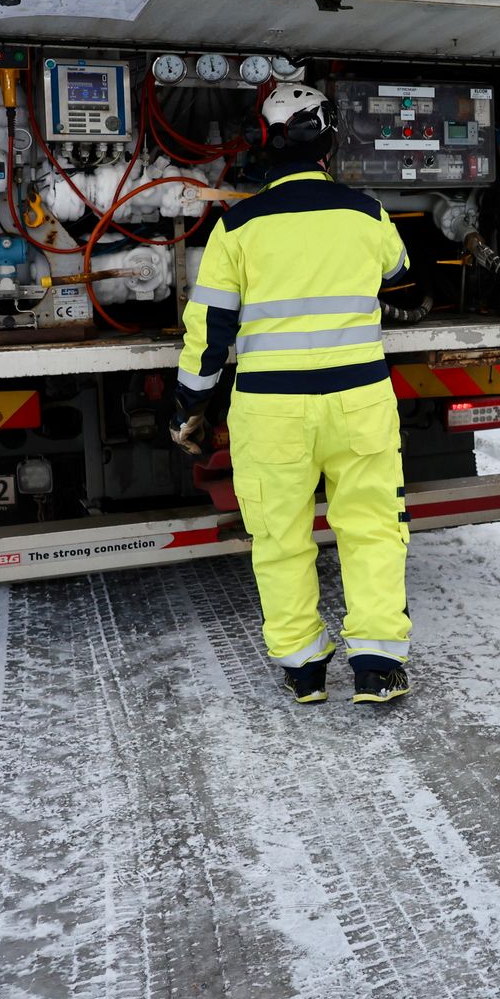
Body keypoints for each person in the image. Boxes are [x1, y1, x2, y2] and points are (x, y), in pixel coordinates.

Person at [171, 83, 416, 706]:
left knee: (280, 538)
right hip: (359, 403)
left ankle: (303, 669)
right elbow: (399, 275)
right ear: (328, 142)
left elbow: (210, 329)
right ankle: (378, 665)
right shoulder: (367, 213)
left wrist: (190, 404)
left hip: (271, 413)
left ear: (265, 145)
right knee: (371, 530)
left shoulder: (238, 225)